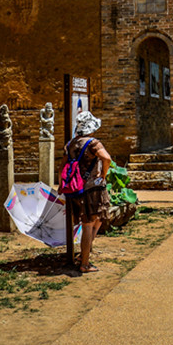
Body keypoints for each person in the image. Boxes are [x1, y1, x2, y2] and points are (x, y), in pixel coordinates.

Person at [64, 111, 112, 274]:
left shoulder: (71, 144)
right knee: (88, 225)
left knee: (97, 220)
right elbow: (107, 158)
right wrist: (103, 174)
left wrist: (61, 183)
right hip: (91, 188)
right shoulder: (93, 143)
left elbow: (62, 166)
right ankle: (84, 263)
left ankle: (84, 253)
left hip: (75, 188)